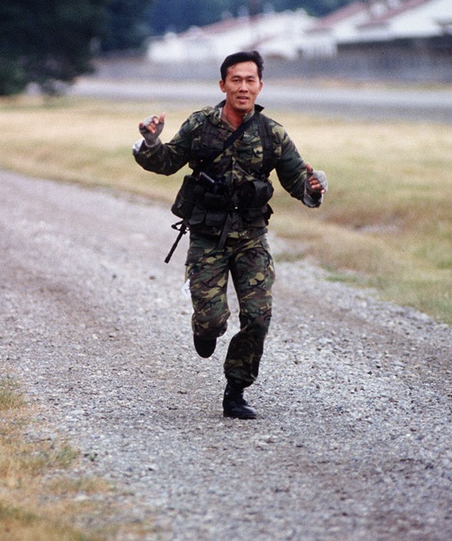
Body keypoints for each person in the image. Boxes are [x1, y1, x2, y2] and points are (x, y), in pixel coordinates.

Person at [133, 51, 327, 419]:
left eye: (250, 80)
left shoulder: (272, 134)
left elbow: (297, 181)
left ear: (260, 86)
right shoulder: (201, 125)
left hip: (251, 237)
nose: (243, 87)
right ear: (222, 85)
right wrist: (151, 143)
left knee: (257, 317)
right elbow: (167, 162)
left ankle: (236, 391)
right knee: (211, 319)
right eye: (235, 80)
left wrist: (313, 188)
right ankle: (204, 330)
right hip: (207, 236)